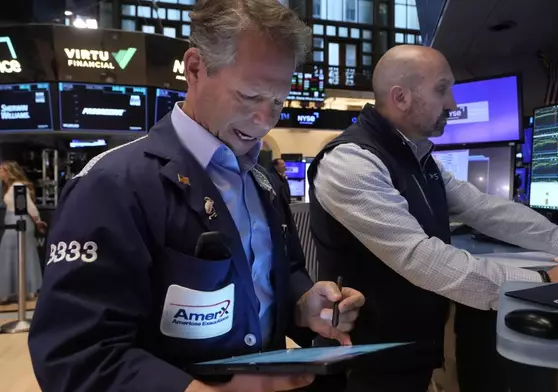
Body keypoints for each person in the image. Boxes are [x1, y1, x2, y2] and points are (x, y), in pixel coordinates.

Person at [27, 1, 365, 392]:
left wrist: (304, 304)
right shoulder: (113, 185)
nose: (266, 118)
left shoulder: (262, 181)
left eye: (277, 100)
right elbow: (76, 352)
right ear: (194, 68)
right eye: (249, 95)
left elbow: (274, 276)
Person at [307, 45, 558, 392]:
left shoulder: (417, 158)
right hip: (362, 356)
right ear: (401, 97)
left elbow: (488, 211)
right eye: (442, 89)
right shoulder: (350, 162)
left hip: (405, 344)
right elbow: (421, 259)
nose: (452, 103)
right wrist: (546, 278)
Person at [0, 161, 46, 304]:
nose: (0, 173)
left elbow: (29, 206)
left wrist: (38, 221)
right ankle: (10, 292)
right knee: (9, 256)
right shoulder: (8, 187)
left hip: (20, 224)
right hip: (12, 224)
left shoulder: (18, 186)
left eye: (2, 170)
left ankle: (28, 290)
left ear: (9, 172)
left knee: (24, 256)